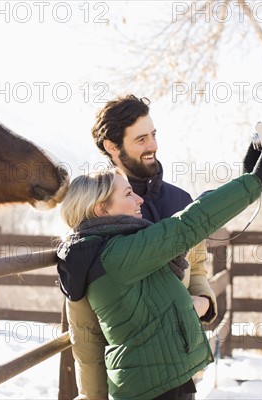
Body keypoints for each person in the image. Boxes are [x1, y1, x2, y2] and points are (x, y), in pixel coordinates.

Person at [57, 142, 262, 399]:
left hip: (155, 381)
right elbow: (189, 224)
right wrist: (256, 181)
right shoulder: (119, 254)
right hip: (156, 389)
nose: (139, 198)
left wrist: (244, 178)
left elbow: (87, 343)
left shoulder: (85, 255)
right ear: (101, 209)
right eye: (128, 194)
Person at [65, 95, 218, 399]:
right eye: (141, 139)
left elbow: (198, 265)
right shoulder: (98, 211)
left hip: (182, 365)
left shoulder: (181, 202)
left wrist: (201, 301)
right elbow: (85, 324)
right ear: (113, 146)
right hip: (132, 376)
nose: (153, 146)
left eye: (154, 135)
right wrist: (92, 395)